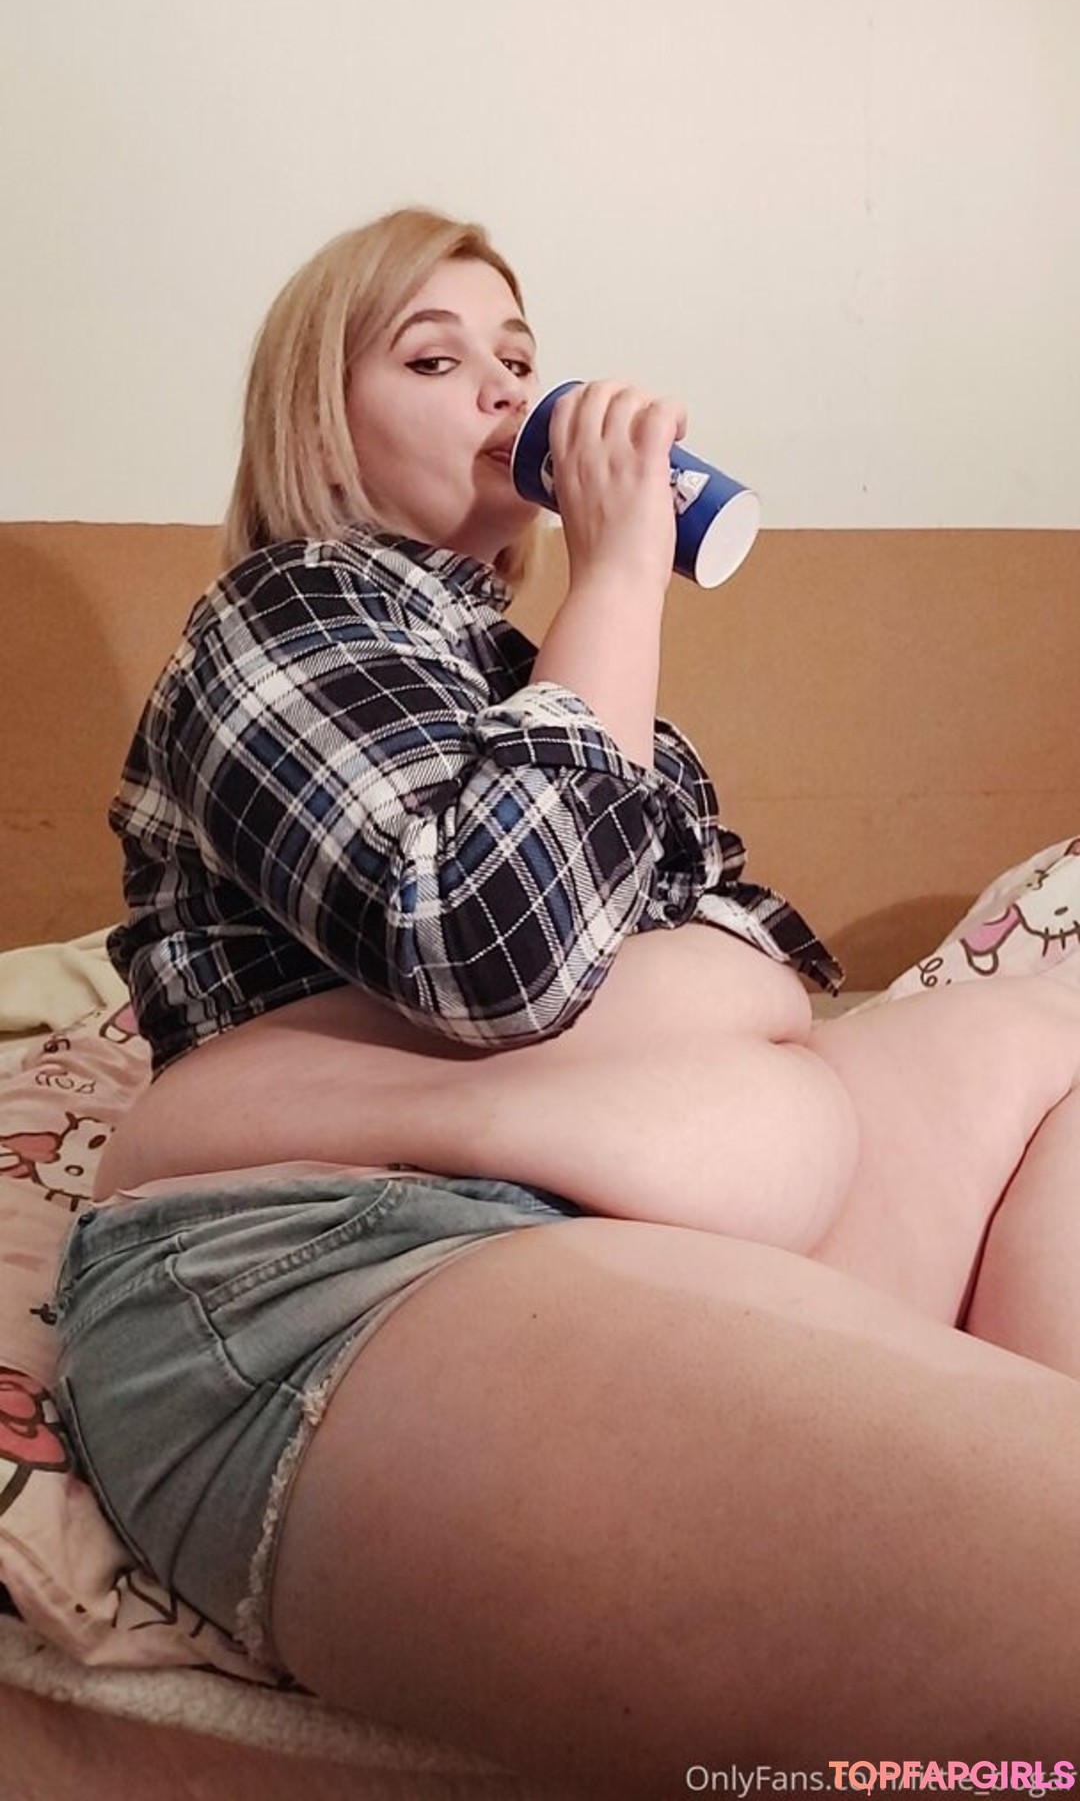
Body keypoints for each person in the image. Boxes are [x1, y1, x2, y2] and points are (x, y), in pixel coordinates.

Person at [50, 209, 1080, 1792]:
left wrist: (699, 999)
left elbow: (758, 959)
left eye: (518, 360)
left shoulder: (537, 680)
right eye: (433, 358)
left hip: (602, 1201)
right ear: (317, 420)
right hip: (352, 1258)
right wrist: (620, 574)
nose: (503, 390)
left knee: (1044, 1023)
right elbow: (495, 954)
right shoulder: (289, 614)